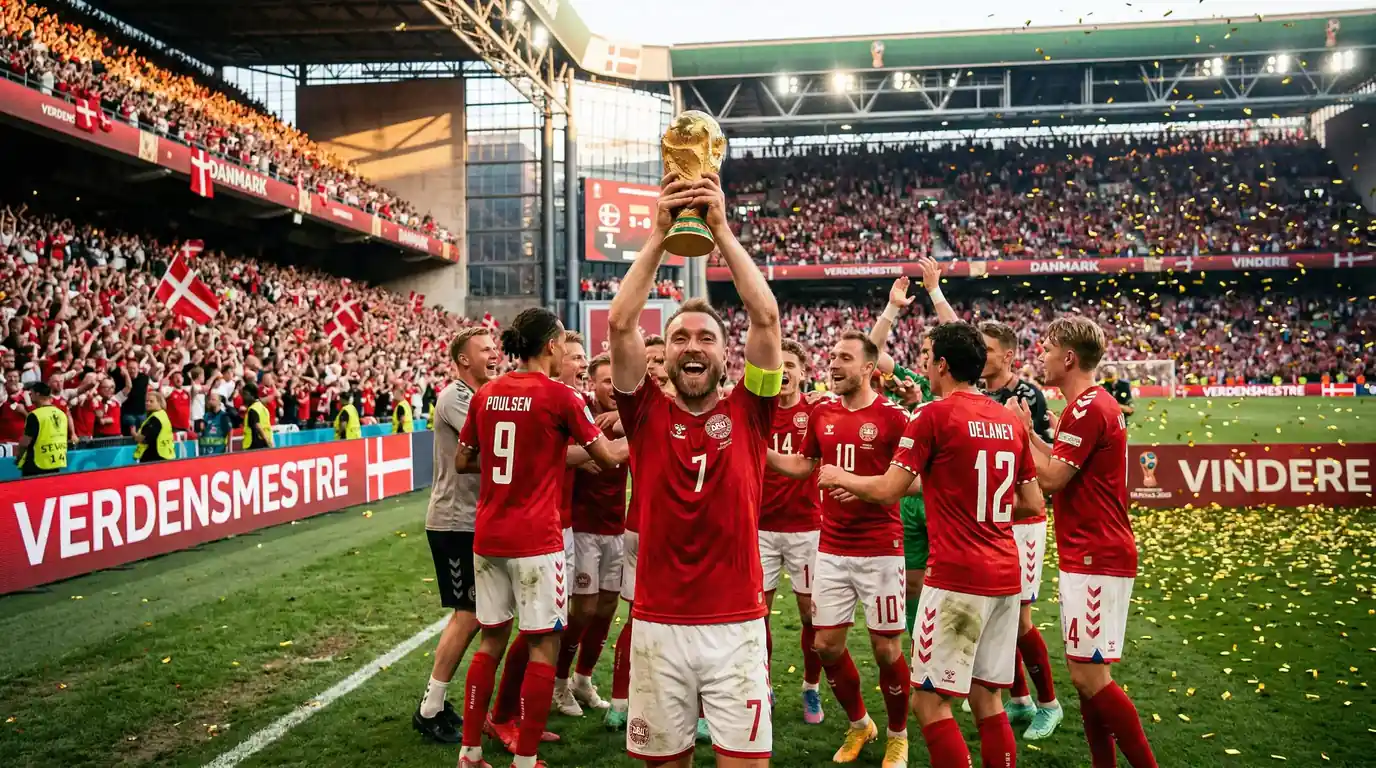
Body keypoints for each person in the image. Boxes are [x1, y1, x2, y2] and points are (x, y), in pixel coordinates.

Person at [607, 171, 781, 767]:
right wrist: (657, 236)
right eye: (679, 338)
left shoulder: (752, 411)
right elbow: (620, 325)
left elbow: (766, 318)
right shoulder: (645, 414)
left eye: (705, 337)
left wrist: (722, 230)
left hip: (736, 627)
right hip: (657, 625)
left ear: (723, 353)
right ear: (667, 354)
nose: (692, 347)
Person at [818, 321, 1045, 768]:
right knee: (988, 699)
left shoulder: (932, 414)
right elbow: (1033, 502)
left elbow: (887, 490)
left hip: (957, 575)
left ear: (941, 364)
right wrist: (968, 499)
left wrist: (838, 475)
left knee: (930, 704)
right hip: (1005, 575)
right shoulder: (1006, 419)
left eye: (926, 355)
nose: (922, 363)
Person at [454, 307, 621, 768]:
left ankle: (469, 753)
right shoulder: (560, 397)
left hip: (489, 536)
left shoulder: (486, 394)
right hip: (536, 538)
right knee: (543, 643)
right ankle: (525, 759)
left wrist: (518, 462)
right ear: (551, 346)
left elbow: (464, 462)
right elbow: (605, 459)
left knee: (490, 641)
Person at [1008, 317, 1158, 768]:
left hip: (1097, 552)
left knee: (1090, 676)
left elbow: (1051, 478)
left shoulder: (1088, 407)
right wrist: (1033, 434)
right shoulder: (1089, 405)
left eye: (1048, 347)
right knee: (1087, 677)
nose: (1040, 354)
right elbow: (1060, 461)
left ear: (1069, 358)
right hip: (1090, 550)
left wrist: (1019, 435)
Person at [766, 330, 915, 768]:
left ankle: (898, 735)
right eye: (832, 356)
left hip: (880, 549)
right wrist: (761, 450)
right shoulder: (823, 414)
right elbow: (802, 466)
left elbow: (916, 482)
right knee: (826, 645)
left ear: (869, 368)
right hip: (831, 546)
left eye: (845, 358)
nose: (833, 364)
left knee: (887, 650)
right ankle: (859, 724)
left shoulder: (894, 417)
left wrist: (865, 488)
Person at [413, 326, 501, 744]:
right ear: (464, 359)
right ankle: (429, 708)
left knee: (483, 615)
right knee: (467, 614)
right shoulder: (456, 397)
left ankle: (447, 703)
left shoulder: (486, 395)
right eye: (484, 349)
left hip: (475, 519)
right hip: (453, 522)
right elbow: (492, 442)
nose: (493, 353)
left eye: (494, 347)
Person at [977, 319, 1063, 739]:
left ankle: (1050, 704)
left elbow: (1042, 465)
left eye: (987, 348)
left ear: (1008, 355)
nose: (980, 354)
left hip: (1023, 519)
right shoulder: (974, 389)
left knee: (1022, 618)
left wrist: (1020, 429)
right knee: (998, 615)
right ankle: (1020, 698)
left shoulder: (1027, 395)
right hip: (989, 516)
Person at [869, 271, 943, 644]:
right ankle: (923, 653)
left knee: (952, 587)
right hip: (910, 499)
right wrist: (891, 309)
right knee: (913, 585)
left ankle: (965, 667)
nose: (923, 359)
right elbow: (871, 354)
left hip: (945, 500)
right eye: (923, 354)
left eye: (930, 354)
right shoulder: (914, 383)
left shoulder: (955, 393)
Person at [757, 338, 826, 724]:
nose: (784, 372)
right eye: (777, 365)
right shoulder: (758, 410)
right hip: (761, 527)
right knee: (758, 615)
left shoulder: (816, 411)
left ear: (803, 372)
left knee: (809, 616)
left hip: (805, 528)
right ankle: (763, 684)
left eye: (790, 365)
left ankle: (810, 688)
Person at [560, 354, 628, 718]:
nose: (613, 390)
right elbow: (551, 451)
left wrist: (627, 422)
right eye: (606, 382)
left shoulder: (633, 415)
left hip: (616, 526)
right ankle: (558, 682)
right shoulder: (577, 412)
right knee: (582, 609)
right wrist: (578, 456)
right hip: (583, 526)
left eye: (617, 383)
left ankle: (582, 679)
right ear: (592, 384)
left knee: (606, 608)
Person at [16, 382, 67, 477]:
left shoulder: (35, 415)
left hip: (37, 464)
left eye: (31, 394)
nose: (30, 397)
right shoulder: (61, 414)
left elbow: (25, 442)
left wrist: (19, 457)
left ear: (37, 394)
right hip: (56, 461)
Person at [133, 391, 174, 463]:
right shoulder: (162, 415)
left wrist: (134, 434)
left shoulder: (155, 418)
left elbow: (145, 438)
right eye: (146, 401)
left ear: (159, 403)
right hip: (164, 455)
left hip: (154, 458)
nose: (147, 403)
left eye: (151, 401)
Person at [241, 382, 273, 450]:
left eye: (245, 394)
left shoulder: (252, 409)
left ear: (252, 395)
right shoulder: (262, 407)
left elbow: (258, 426)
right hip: (264, 443)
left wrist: (267, 442)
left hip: (253, 445)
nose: (243, 397)